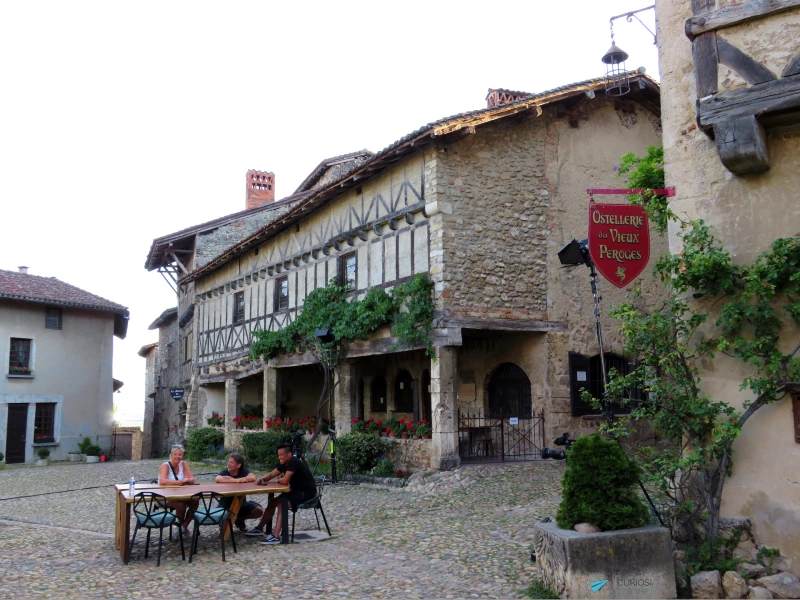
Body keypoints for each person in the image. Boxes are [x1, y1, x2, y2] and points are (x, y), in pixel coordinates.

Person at [255, 444, 317, 545]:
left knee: (281, 504)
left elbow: (284, 481)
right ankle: (259, 528)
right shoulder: (285, 463)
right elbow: (271, 474)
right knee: (272, 502)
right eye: (278, 455)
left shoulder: (293, 462)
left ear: (289, 454)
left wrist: (279, 479)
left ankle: (275, 536)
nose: (279, 457)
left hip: (306, 493)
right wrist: (262, 479)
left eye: (281, 455)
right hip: (295, 491)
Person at [215, 453, 264, 534]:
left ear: (238, 465)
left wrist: (238, 479)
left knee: (259, 510)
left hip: (241, 504)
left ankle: (240, 518)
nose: (228, 464)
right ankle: (229, 521)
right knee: (224, 531)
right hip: (225, 505)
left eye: (231, 462)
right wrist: (236, 480)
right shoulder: (225, 472)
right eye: (228, 462)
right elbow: (218, 479)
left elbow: (253, 477)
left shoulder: (244, 471)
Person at [158, 445, 198, 538]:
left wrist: (187, 480)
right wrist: (180, 481)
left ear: (182, 455)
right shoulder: (165, 466)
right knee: (181, 505)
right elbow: (162, 481)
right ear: (171, 455)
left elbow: (192, 479)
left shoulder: (183, 464)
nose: (177, 457)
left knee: (195, 501)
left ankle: (183, 527)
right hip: (165, 496)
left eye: (179, 454)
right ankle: (180, 526)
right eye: (175, 454)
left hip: (181, 494)